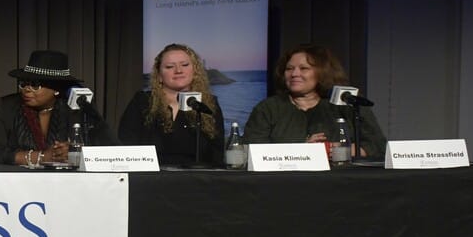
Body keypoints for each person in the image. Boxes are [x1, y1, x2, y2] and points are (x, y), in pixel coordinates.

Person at [244, 43, 387, 157]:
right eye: (289, 69)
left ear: (322, 73)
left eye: (304, 68)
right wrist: (303, 151)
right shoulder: (268, 108)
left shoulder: (347, 104)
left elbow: (378, 146)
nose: (294, 74)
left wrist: (339, 150)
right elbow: (251, 151)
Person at [0, 49, 114, 166]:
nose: (26, 90)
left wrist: (78, 153)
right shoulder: (8, 106)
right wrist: (41, 157)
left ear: (56, 89)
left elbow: (109, 151)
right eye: (23, 83)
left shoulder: (77, 107)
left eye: (35, 85)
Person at [117, 43, 225, 166]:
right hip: (150, 179)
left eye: (185, 65)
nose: (178, 71)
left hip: (197, 180)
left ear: (195, 71)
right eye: (169, 67)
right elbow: (126, 147)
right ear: (159, 76)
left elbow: (217, 154)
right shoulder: (142, 102)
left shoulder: (208, 104)